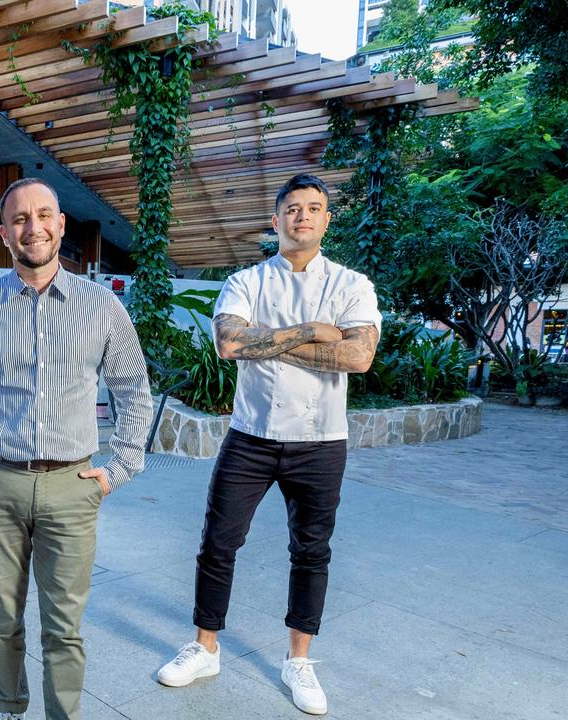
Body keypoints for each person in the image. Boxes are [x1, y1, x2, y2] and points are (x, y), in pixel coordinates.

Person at [0, 177, 153, 720]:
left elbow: (133, 391)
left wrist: (118, 468)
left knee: (64, 627)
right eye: (20, 219)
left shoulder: (101, 308)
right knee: (3, 617)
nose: (34, 227)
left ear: (61, 225)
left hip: (72, 486)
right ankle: (9, 709)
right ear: (4, 233)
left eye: (43, 215)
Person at [154, 173, 380, 716]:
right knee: (218, 543)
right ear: (275, 220)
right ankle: (205, 647)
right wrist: (312, 330)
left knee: (311, 550)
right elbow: (230, 343)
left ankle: (298, 659)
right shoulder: (246, 281)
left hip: (321, 440)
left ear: (326, 220)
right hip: (250, 436)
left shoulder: (352, 285)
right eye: (292, 209)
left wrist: (271, 342)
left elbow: (358, 357)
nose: (302, 216)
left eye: (313, 208)